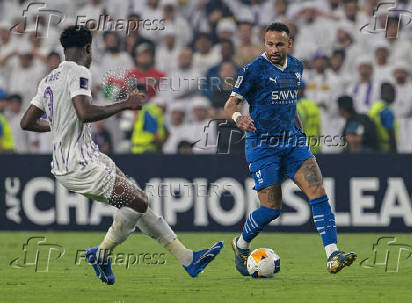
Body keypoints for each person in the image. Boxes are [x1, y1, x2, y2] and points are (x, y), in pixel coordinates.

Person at [20, 25, 223, 285]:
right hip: (78, 164)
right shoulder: (80, 71)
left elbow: (27, 122)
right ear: (87, 49)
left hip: (85, 157)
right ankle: (101, 254)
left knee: (140, 202)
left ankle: (187, 258)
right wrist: (126, 104)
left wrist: (57, 124)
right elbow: (84, 112)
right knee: (136, 201)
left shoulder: (48, 79)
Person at [224, 22, 356, 275]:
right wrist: (239, 119)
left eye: (279, 44)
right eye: (269, 44)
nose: (274, 49)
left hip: (293, 142)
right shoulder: (252, 70)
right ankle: (241, 244)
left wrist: (300, 131)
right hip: (262, 145)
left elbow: (290, 103)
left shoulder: (296, 66)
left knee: (317, 190)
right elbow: (231, 104)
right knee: (271, 209)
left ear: (289, 44)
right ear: (265, 43)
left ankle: (332, 254)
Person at [368, 82, 397, 153]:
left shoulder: (375, 107)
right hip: (385, 148)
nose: (394, 96)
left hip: (374, 145)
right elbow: (390, 132)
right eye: (392, 92)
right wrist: (394, 149)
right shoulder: (386, 110)